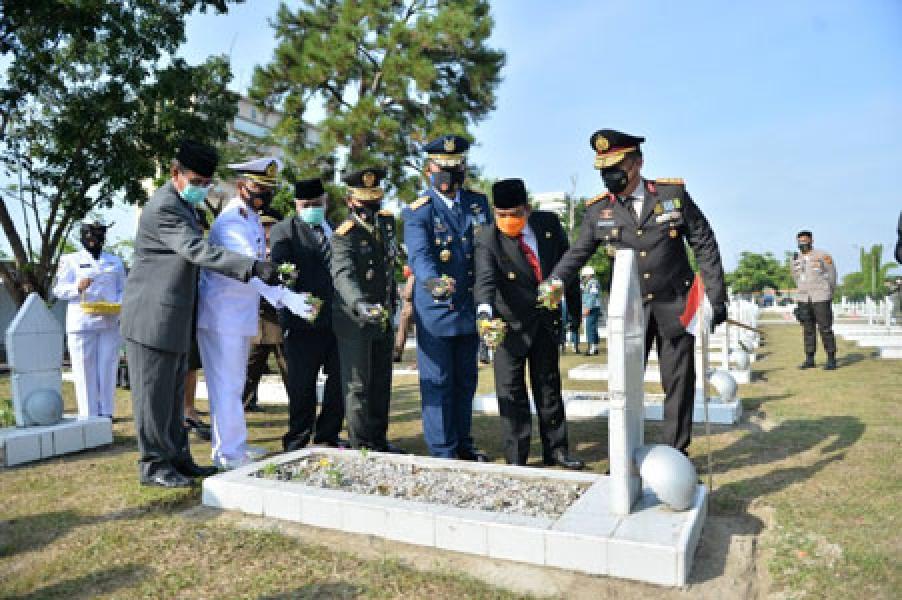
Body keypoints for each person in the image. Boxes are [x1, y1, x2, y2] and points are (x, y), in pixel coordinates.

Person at [542, 129, 727, 455]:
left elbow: (704, 242)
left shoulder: (672, 195)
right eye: (602, 169)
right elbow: (577, 254)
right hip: (629, 312)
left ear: (637, 163)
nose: (608, 175)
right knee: (625, 387)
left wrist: (714, 295)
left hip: (677, 305)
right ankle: (625, 457)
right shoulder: (599, 211)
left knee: (679, 385)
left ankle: (676, 457)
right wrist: (555, 282)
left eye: (616, 166)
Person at [121, 140, 282, 487]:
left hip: (176, 316)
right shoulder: (164, 206)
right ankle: (154, 466)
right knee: (153, 397)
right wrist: (251, 266)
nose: (203, 188)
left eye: (207, 183)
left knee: (173, 393)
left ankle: (179, 460)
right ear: (175, 173)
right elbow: (195, 249)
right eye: (197, 181)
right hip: (152, 317)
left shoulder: (185, 206)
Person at [196, 157, 315, 470]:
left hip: (237, 314)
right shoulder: (233, 220)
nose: (263, 194)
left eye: (268, 189)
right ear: (240, 186)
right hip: (223, 316)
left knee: (233, 385)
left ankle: (235, 447)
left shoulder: (249, 216)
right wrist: (287, 298)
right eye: (257, 187)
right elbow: (251, 269)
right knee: (226, 386)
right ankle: (227, 455)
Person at [474, 178, 584, 468]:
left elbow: (567, 269)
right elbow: (484, 280)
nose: (508, 221)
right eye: (501, 215)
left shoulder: (548, 224)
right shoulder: (488, 237)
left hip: (545, 321)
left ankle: (557, 450)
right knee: (511, 392)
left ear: (528, 208)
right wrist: (485, 314)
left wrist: (574, 312)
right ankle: (517, 457)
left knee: (548, 386)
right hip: (508, 326)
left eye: (515, 214)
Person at [401, 135, 491, 461]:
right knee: (438, 382)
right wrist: (433, 282)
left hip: (470, 309)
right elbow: (421, 257)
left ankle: (464, 444)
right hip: (438, 310)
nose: (451, 173)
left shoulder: (478, 204)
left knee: (465, 383)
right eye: (443, 167)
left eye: (457, 166)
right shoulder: (418, 212)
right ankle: (443, 452)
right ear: (429, 169)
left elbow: (488, 251)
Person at [270, 178, 347, 451]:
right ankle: (298, 438)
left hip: (338, 321)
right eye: (306, 205)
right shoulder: (284, 230)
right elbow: (280, 269)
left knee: (339, 382)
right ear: (296, 204)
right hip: (303, 321)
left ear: (324, 202)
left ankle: (328, 434)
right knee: (302, 384)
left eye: (316, 204)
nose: (312, 209)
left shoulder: (338, 230)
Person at [331, 167, 404, 452]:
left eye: (375, 201)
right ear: (350, 201)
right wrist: (360, 303)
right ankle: (361, 444)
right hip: (354, 318)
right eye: (364, 203)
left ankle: (378, 439)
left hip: (382, 314)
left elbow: (388, 264)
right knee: (358, 386)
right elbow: (342, 275)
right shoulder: (343, 235)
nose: (371, 209)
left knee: (381, 382)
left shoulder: (386, 223)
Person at [53, 220, 126, 418]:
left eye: (98, 235)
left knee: (108, 367)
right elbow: (59, 290)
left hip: (109, 320)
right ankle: (88, 415)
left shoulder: (115, 261)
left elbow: (123, 290)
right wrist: (77, 287)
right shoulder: (70, 260)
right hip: (82, 322)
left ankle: (107, 413)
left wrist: (118, 304)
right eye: (90, 236)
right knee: (84, 370)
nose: (94, 240)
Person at [242, 209, 289, 412]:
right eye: (264, 226)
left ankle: (301, 409)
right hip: (255, 319)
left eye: (271, 226)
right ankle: (240, 407)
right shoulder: (250, 249)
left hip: (279, 319)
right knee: (249, 368)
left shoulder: (286, 250)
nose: (267, 231)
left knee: (289, 367)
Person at [791, 230, 838, 370]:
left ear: (812, 240)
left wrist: (829, 293)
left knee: (825, 328)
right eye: (800, 241)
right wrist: (801, 290)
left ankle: (831, 358)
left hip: (821, 296)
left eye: (805, 240)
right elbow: (795, 276)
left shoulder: (823, 255)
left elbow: (832, 275)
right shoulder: (794, 258)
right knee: (808, 329)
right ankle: (809, 359)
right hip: (804, 298)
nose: (803, 243)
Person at [393, 266, 415, 362]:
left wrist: (401, 293)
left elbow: (408, 294)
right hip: (411, 308)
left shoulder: (414, 274)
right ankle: (397, 352)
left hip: (410, 308)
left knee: (403, 329)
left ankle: (398, 353)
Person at [580, 265, 603, 355]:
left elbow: (593, 296)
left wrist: (588, 308)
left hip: (592, 308)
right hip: (592, 307)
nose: (584, 278)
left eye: (585, 276)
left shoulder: (593, 283)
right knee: (592, 327)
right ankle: (595, 347)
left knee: (590, 327)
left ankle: (592, 348)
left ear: (589, 275)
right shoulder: (590, 283)